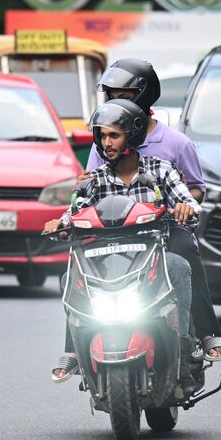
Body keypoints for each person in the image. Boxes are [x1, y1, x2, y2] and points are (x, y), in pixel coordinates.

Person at [44, 99, 199, 381]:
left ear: (132, 135)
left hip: (151, 261)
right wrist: (60, 223)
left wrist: (186, 208)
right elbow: (74, 212)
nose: (107, 143)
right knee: (69, 277)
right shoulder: (94, 180)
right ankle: (75, 351)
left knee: (179, 266)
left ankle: (184, 346)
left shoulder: (161, 170)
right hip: (105, 263)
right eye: (103, 136)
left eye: (114, 135)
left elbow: (189, 202)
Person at [84, 58, 221, 361]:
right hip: (115, 232)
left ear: (144, 95)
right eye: (112, 96)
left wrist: (181, 207)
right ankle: (77, 347)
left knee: (184, 255)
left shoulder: (176, 144)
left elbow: (195, 190)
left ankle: (203, 332)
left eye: (124, 96)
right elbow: (91, 189)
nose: (117, 102)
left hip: (164, 229)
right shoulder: (104, 142)